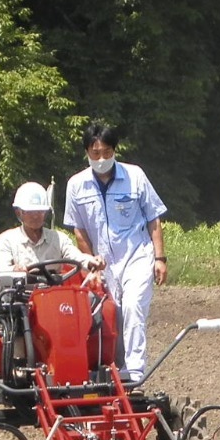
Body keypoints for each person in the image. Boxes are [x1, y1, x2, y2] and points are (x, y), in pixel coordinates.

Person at [63, 121, 167, 384]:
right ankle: (116, 368)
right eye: (95, 154)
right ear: (86, 152)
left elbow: (154, 218)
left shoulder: (135, 176)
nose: (101, 159)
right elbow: (79, 232)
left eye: (107, 152)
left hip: (137, 255)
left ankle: (134, 371)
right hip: (103, 263)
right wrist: (90, 265)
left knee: (133, 307)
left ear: (115, 151)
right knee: (112, 313)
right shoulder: (76, 186)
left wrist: (159, 257)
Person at [0, 181, 103, 294]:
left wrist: (91, 262)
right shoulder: (6, 240)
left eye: (40, 211)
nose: (35, 216)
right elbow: (0, 271)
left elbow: (76, 257)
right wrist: (15, 270)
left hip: (54, 296)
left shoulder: (58, 238)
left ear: (45, 212)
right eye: (30, 212)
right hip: (20, 299)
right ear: (18, 213)